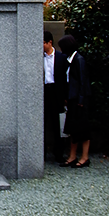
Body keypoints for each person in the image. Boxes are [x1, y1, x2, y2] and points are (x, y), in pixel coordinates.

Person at [58, 34, 91, 168]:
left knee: (82, 128)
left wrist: (81, 99)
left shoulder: (79, 59)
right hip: (72, 98)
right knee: (72, 128)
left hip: (79, 99)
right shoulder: (70, 60)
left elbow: (83, 80)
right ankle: (72, 156)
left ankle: (84, 157)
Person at [43, 30, 68, 163]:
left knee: (57, 123)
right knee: (43, 122)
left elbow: (65, 78)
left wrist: (65, 96)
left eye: (42, 43)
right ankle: (42, 153)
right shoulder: (38, 58)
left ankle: (59, 153)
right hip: (43, 92)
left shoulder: (61, 58)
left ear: (49, 43)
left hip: (56, 92)